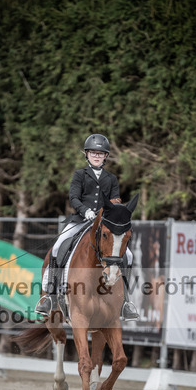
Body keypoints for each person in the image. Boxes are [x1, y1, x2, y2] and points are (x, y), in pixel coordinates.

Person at [35, 133, 139, 321]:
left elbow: (116, 199)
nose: (96, 156)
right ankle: (49, 296)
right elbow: (74, 197)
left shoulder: (111, 178)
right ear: (87, 154)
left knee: (129, 255)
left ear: (106, 156)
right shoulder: (79, 175)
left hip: (103, 223)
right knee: (57, 248)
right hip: (80, 220)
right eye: (93, 153)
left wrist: (108, 212)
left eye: (100, 153)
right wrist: (85, 211)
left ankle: (126, 301)